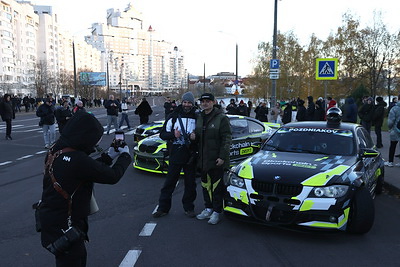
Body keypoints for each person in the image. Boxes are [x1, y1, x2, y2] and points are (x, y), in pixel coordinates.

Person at [38, 111, 131, 266]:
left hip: (52, 220)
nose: (95, 143)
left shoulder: (56, 149)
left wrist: (109, 156)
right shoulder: (77, 160)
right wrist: (125, 156)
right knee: (74, 259)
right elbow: (112, 176)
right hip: (66, 225)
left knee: (70, 258)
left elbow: (85, 169)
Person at [153, 92, 197, 218]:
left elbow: (202, 136)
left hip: (191, 155)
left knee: (190, 184)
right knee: (169, 183)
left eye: (189, 103)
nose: (187, 105)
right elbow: (162, 135)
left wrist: (196, 137)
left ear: (192, 104)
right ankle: (163, 208)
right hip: (176, 153)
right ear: (181, 102)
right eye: (185, 102)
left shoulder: (197, 117)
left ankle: (189, 208)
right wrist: (173, 135)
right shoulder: (173, 117)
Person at [190, 93, 231, 225]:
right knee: (205, 185)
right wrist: (194, 136)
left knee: (217, 187)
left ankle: (217, 211)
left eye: (208, 101)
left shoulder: (221, 118)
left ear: (213, 102)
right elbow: (199, 135)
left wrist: (222, 157)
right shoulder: (200, 117)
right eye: (203, 101)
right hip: (203, 159)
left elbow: (226, 138)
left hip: (216, 159)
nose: (205, 103)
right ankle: (208, 208)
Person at [385, 94, 400, 167]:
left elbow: (391, 121)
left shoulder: (394, 109)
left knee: (393, 146)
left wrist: (390, 127)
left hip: (395, 130)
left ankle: (390, 162)